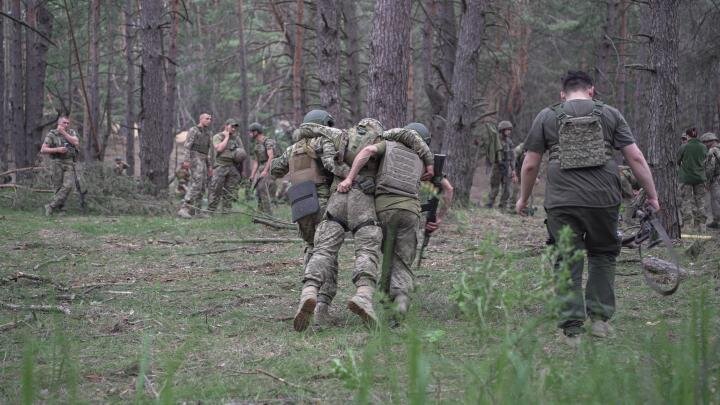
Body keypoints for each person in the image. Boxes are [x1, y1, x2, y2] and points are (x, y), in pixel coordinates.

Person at [516, 70, 659, 345]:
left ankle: (571, 329)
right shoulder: (610, 114)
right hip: (603, 198)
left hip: (561, 200)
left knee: (568, 257)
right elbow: (636, 159)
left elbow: (531, 163)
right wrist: (652, 195)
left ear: (562, 94)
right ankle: (600, 322)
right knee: (603, 253)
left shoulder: (547, 116)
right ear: (591, 91)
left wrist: (524, 198)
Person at [291, 118, 434, 332]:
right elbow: (404, 146)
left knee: (323, 251)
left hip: (337, 198)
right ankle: (364, 295)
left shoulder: (340, 136)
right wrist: (429, 161)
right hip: (364, 202)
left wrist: (343, 174)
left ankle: (310, 292)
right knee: (367, 250)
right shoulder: (385, 142)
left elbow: (305, 131)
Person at [337, 122, 452, 321]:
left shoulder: (387, 145)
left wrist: (349, 178)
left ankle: (384, 299)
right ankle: (399, 303)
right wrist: (439, 218)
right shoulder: (424, 159)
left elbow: (367, 151)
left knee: (388, 255)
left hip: (384, 210)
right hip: (410, 213)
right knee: (403, 261)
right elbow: (448, 189)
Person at [271, 110, 348, 324]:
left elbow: (275, 169)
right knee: (327, 252)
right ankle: (322, 306)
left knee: (310, 247)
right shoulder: (322, 144)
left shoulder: (292, 149)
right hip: (322, 201)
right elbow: (333, 166)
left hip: (299, 203)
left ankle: (308, 294)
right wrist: (352, 174)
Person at [41, 117, 82, 216]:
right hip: (56, 162)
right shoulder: (52, 134)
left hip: (69, 163)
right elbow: (43, 150)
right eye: (64, 123)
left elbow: (75, 142)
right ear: (59, 123)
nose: (66, 125)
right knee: (58, 187)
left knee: (68, 186)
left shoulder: (71, 132)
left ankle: (51, 206)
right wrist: (57, 149)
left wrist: (63, 133)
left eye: (68, 123)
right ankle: (62, 210)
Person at [177, 113, 213, 218]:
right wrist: (186, 160)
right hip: (195, 158)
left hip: (203, 159)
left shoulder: (208, 133)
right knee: (196, 183)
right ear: (201, 119)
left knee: (202, 185)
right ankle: (184, 208)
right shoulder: (194, 130)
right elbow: (187, 146)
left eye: (210, 119)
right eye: (207, 118)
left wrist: (209, 166)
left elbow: (208, 151)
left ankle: (198, 210)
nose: (209, 120)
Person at [207, 119, 246, 212]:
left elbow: (242, 153)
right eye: (232, 126)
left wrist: (241, 168)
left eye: (235, 127)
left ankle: (226, 210)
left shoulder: (237, 138)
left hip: (232, 166)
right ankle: (211, 211)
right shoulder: (218, 136)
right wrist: (227, 136)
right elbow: (219, 149)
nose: (234, 129)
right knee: (216, 189)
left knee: (230, 190)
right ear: (226, 126)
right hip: (220, 166)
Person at [677, 127, 708, 232]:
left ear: (687, 135)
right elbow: (706, 161)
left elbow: (677, 160)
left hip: (686, 178)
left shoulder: (684, 147)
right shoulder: (703, 147)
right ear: (697, 135)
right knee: (701, 202)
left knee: (686, 201)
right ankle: (702, 226)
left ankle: (687, 226)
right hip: (700, 178)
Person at [486, 120, 516, 210]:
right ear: (502, 130)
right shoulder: (496, 140)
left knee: (506, 188)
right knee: (495, 187)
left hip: (506, 166)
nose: (509, 132)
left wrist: (513, 169)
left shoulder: (509, 142)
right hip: (497, 166)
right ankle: (489, 204)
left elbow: (512, 157)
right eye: (507, 130)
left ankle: (502, 206)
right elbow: (490, 153)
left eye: (510, 130)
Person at [249, 122, 276, 214]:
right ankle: (260, 212)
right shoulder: (256, 145)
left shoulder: (268, 141)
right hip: (261, 168)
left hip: (269, 167)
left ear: (256, 132)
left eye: (251, 132)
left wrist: (265, 171)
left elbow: (271, 157)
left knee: (262, 189)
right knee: (259, 190)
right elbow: (256, 161)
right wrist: (252, 175)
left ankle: (269, 215)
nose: (249, 134)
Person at [701, 132, 720, 228]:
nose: (704, 145)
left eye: (705, 142)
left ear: (710, 142)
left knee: (715, 200)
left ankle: (717, 222)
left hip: (716, 179)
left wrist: (708, 182)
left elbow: (710, 168)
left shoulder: (712, 151)